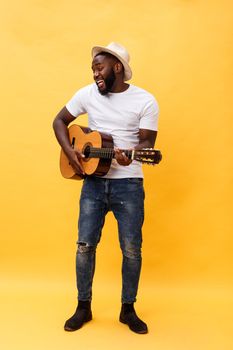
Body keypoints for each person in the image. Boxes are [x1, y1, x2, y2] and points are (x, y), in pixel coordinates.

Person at [53, 42, 159, 334]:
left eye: (98, 67)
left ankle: (128, 309)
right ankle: (83, 306)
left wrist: (132, 153)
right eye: (92, 69)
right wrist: (71, 151)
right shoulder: (87, 94)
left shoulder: (146, 100)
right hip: (93, 183)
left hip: (129, 185)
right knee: (85, 247)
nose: (94, 74)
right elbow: (60, 121)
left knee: (131, 250)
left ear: (117, 67)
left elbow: (148, 144)